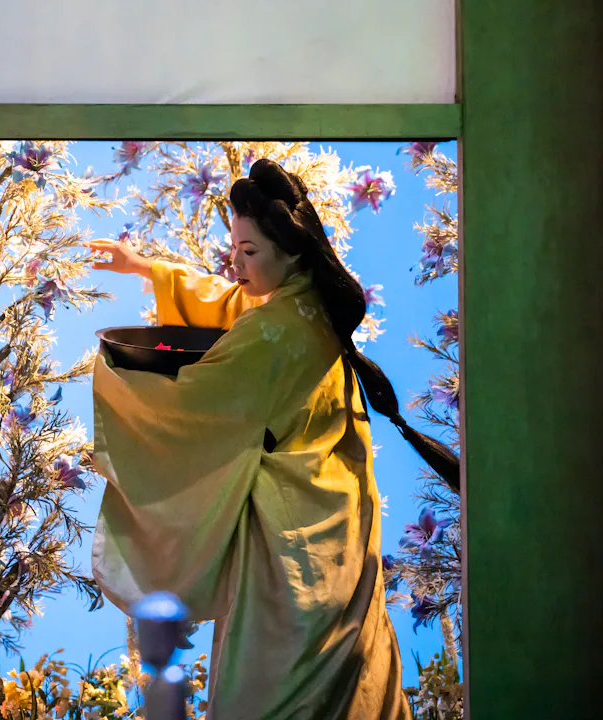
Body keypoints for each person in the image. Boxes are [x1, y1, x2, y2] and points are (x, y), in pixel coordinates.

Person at [83, 159, 459, 719]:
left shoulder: (275, 332)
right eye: (232, 249)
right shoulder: (307, 303)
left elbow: (191, 405)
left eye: (248, 252)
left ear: (290, 248)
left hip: (292, 555)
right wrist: (148, 268)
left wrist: (115, 381)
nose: (235, 266)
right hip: (344, 527)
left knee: (269, 696)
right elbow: (237, 302)